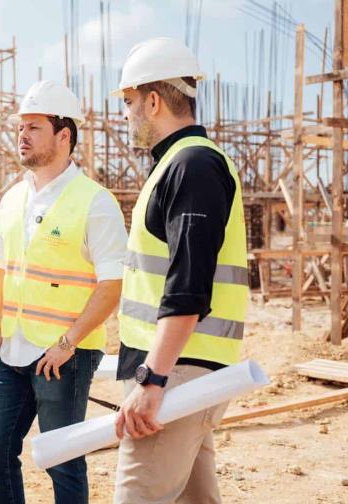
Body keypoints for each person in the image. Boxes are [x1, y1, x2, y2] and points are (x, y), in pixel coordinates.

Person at [111, 37, 249, 504]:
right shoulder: (183, 164)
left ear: (152, 101)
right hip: (186, 367)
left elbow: (188, 285)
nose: (125, 114)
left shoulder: (191, 166)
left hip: (177, 370)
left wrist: (153, 379)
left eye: (128, 103)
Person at [0, 80, 126, 504]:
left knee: (63, 458)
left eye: (34, 127)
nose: (22, 135)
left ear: (65, 136)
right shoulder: (13, 199)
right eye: (20, 127)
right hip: (14, 348)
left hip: (64, 355)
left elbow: (112, 285)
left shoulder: (95, 202)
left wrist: (68, 342)